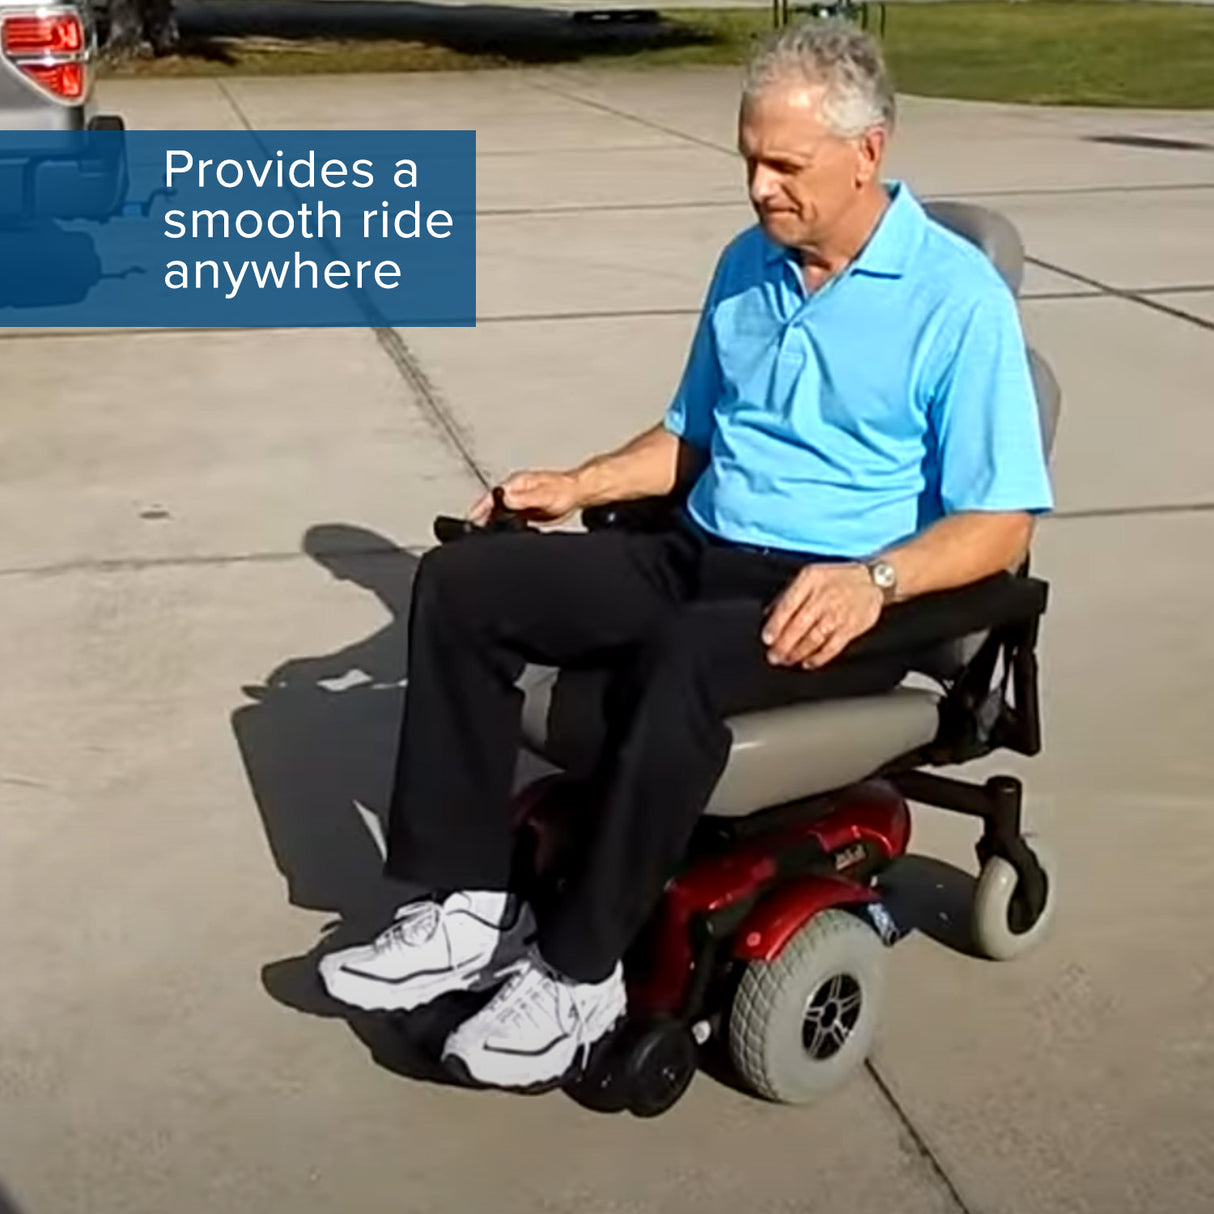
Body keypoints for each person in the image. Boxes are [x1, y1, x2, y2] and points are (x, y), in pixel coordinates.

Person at [318, 17, 1054, 1091]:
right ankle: (466, 906)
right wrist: (574, 484)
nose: (758, 187)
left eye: (784, 165)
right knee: (464, 581)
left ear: (869, 151)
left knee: (676, 657)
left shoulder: (956, 303)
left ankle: (576, 978)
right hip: (700, 549)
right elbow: (687, 438)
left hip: (837, 596)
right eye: (748, 159)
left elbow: (1001, 524)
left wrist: (874, 579)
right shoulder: (746, 265)